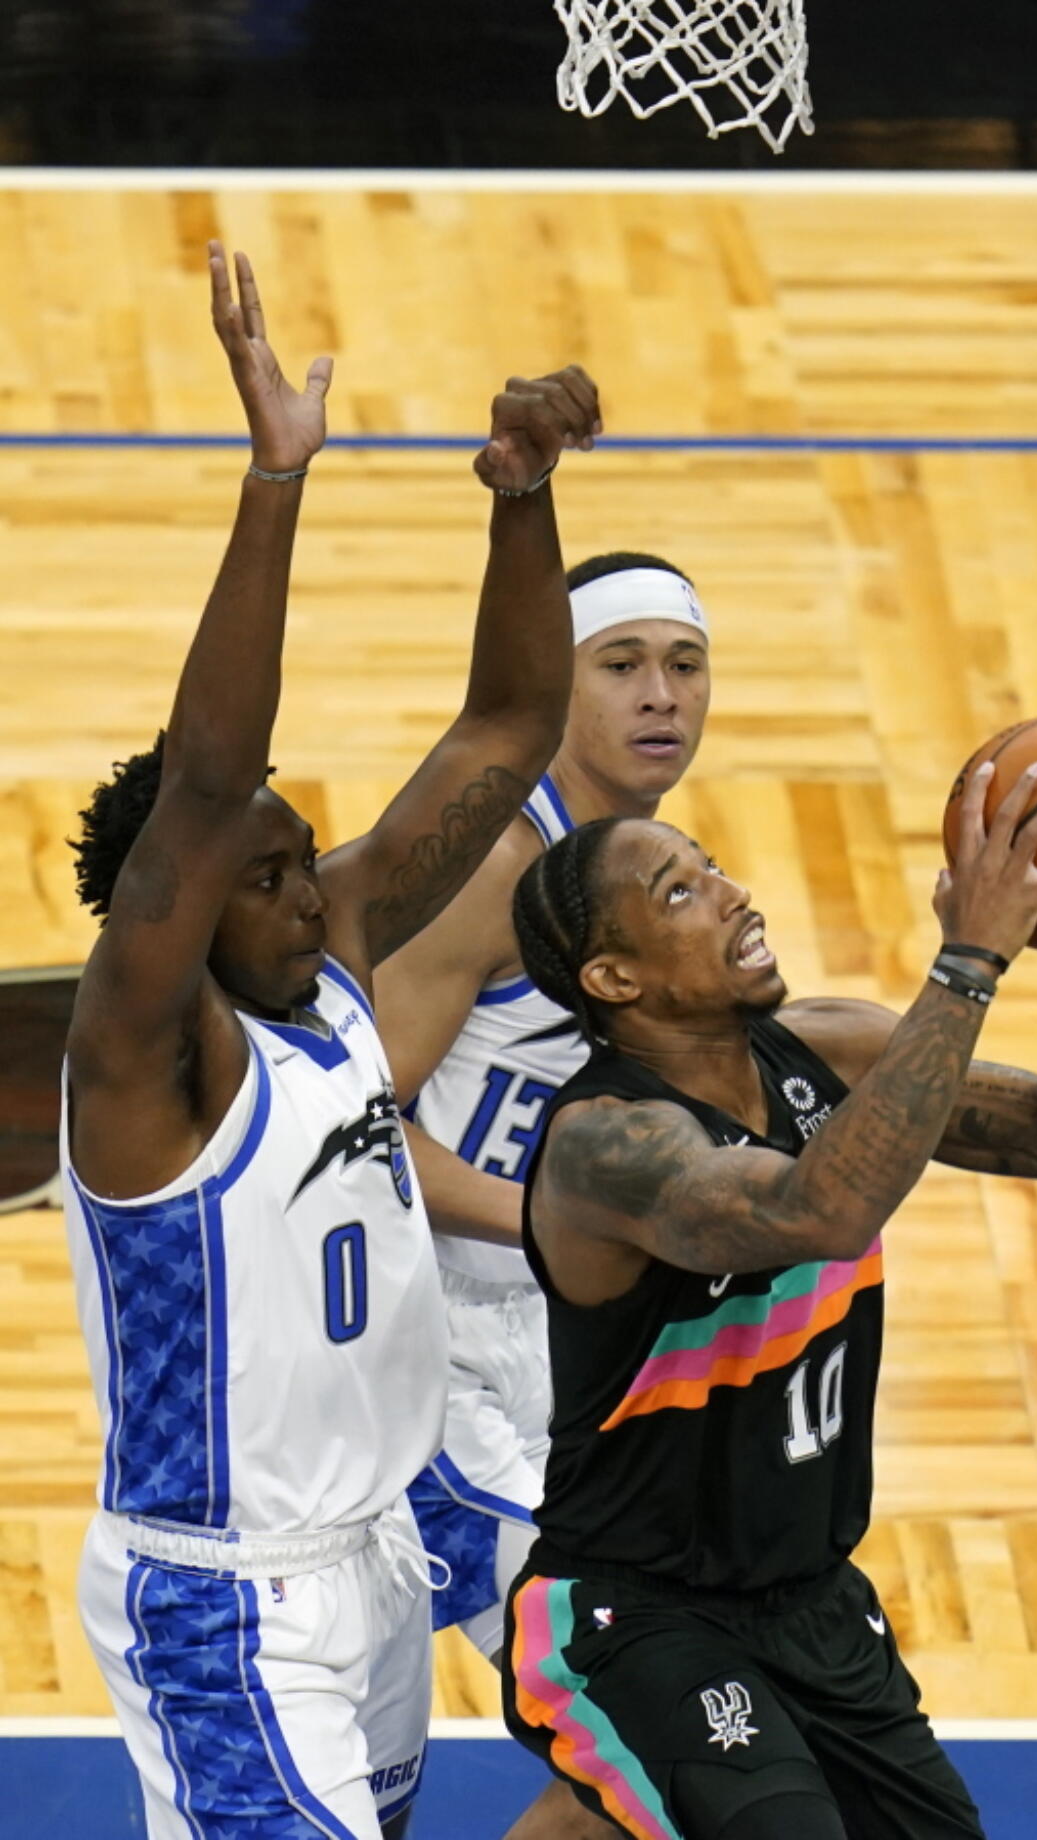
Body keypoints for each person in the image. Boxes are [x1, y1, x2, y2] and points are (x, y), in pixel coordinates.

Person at [61, 242, 600, 1839]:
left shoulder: (337, 960)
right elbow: (208, 788)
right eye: (266, 878)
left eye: (309, 864)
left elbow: (506, 729)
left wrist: (521, 495)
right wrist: (275, 481)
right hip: (226, 1610)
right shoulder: (150, 1062)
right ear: (174, 909)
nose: (314, 893)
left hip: (383, 1542)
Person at [501, 761, 1037, 1840]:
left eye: (711, 866)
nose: (730, 891)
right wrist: (966, 960)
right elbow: (820, 1211)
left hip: (809, 1601)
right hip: (633, 1612)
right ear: (615, 978)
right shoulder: (605, 1146)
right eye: (679, 892)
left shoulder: (832, 1049)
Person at [375, 553, 710, 1839]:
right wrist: (538, 1223)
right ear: (555, 687)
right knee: (651, 1697)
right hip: (428, 1360)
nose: (657, 695)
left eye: (682, 665)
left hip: (572, 1353)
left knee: (651, 1733)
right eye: (619, 665)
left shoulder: (660, 870)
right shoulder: (490, 870)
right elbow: (357, 1132)